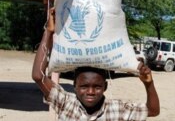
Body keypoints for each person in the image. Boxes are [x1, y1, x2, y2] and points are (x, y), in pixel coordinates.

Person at [32, 8, 160, 120]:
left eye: (97, 87)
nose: (91, 92)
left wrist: (149, 84)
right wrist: (48, 32)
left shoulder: (117, 110)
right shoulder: (66, 103)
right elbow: (38, 76)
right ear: (75, 86)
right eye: (84, 86)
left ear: (105, 86)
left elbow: (153, 111)